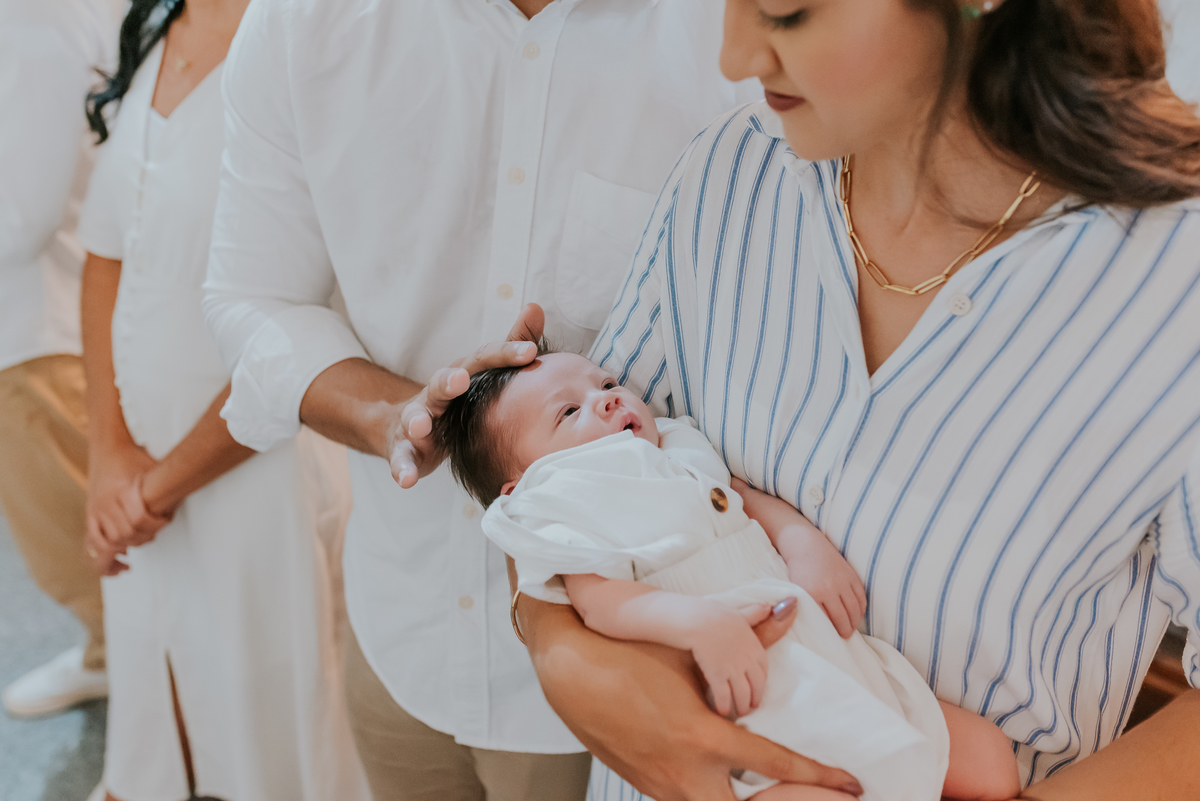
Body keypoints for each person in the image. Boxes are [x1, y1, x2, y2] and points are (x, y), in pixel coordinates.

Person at [403, 0, 1200, 799]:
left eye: (785, 12)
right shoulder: (729, 172)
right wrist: (565, 659)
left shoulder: (1177, 283)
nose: (734, 56)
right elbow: (563, 489)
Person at [201, 1, 787, 798]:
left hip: (632, 682)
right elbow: (250, 295)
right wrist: (393, 415)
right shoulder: (305, 19)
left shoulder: (737, 33)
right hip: (395, 627)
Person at [436, 348, 1023, 801]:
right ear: (523, 485)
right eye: (569, 412)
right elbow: (599, 602)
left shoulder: (676, 444)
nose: (608, 400)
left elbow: (740, 497)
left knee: (993, 763)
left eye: (607, 384)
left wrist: (802, 542)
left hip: (826, 655)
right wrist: (700, 624)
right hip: (748, 699)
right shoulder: (560, 504)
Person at [76, 1, 368, 799]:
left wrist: (155, 488)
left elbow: (309, 322)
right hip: (137, 464)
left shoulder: (316, 41)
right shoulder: (155, 25)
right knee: (155, 724)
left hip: (256, 467)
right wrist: (108, 456)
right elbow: (105, 257)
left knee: (268, 740)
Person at [0, 0, 122, 719]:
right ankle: (113, 657)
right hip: (38, 324)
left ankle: (134, 675)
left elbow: (23, 216)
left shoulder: (35, 24)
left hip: (39, 330)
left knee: (74, 535)